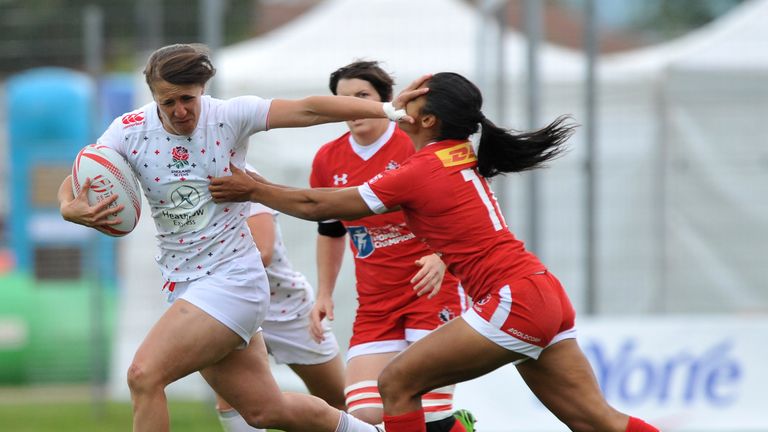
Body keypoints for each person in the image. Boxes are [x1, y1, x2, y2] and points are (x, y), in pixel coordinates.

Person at [209, 72, 661, 432]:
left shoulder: (421, 168)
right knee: (595, 421)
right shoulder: (456, 152)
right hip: (541, 293)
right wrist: (261, 187)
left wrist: (253, 189)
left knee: (397, 383)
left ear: (428, 119)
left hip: (513, 300)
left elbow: (317, 205)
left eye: (415, 98)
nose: (401, 103)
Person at [57, 43, 427, 432]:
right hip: (184, 283)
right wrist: (68, 205)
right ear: (153, 97)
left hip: (234, 281)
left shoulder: (228, 116)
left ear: (203, 89)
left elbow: (309, 109)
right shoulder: (129, 130)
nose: (181, 110)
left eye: (189, 99)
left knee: (143, 374)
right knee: (265, 411)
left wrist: (388, 110)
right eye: (169, 102)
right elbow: (90, 170)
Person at [309, 61, 473, 432]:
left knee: (427, 413)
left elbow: (462, 208)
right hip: (377, 301)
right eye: (343, 100)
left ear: (383, 101)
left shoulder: (414, 145)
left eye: (361, 97)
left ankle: (456, 425)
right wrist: (323, 293)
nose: (352, 107)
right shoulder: (327, 160)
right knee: (365, 414)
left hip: (430, 292)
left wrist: (441, 256)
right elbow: (331, 230)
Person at [215, 191, 345, 432]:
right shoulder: (180, 173)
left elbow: (264, 252)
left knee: (338, 399)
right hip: (233, 305)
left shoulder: (242, 174)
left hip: (287, 308)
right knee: (237, 401)